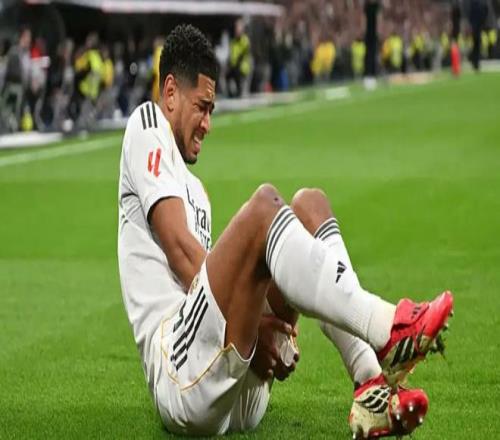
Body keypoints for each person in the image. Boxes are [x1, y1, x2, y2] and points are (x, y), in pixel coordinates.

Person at [118, 24, 454, 438]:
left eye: (212, 111)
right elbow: (181, 251)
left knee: (310, 205)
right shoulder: (147, 125)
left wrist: (255, 325)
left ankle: (370, 385)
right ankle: (387, 327)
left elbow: (209, 278)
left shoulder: (196, 191)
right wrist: (255, 326)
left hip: (232, 385)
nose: (207, 124)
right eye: (202, 107)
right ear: (169, 92)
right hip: (180, 375)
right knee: (264, 207)